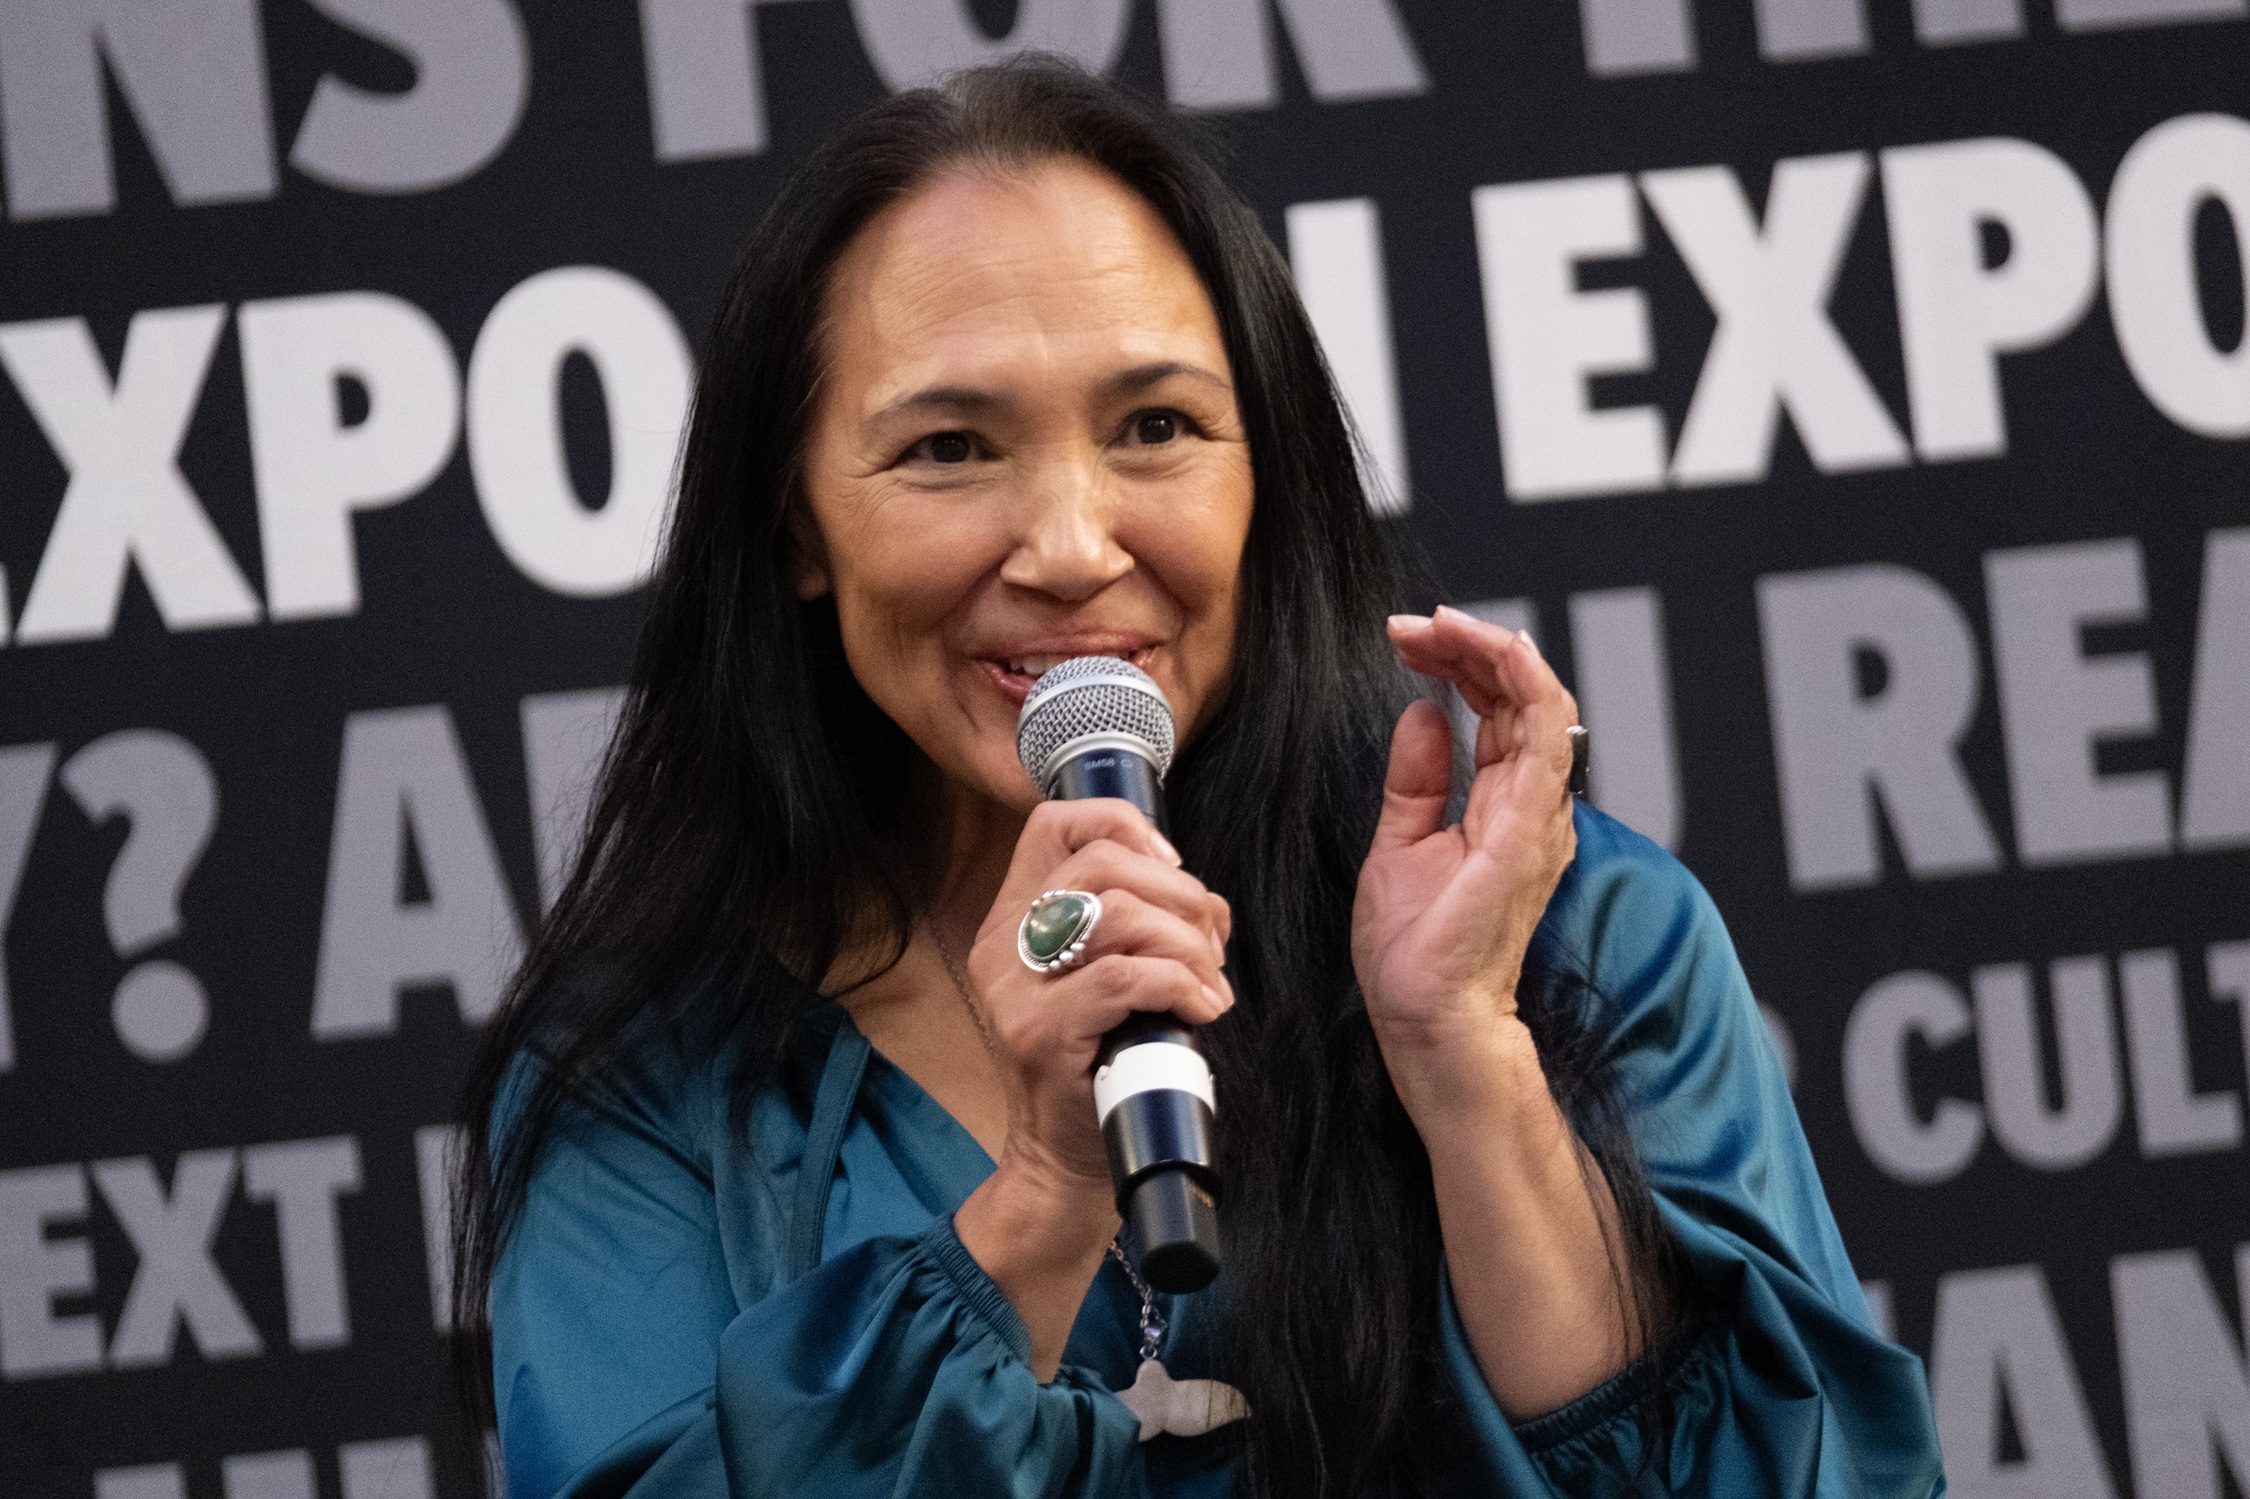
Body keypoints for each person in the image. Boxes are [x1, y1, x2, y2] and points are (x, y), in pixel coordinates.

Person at [455, 60, 1944, 1499]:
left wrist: (1466, 1063)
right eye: (951, 448)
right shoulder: (650, 1075)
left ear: (1265, 475)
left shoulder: (1564, 925)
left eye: (1155, 429)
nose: (1069, 547)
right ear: (794, 528)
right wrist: (1042, 1193)